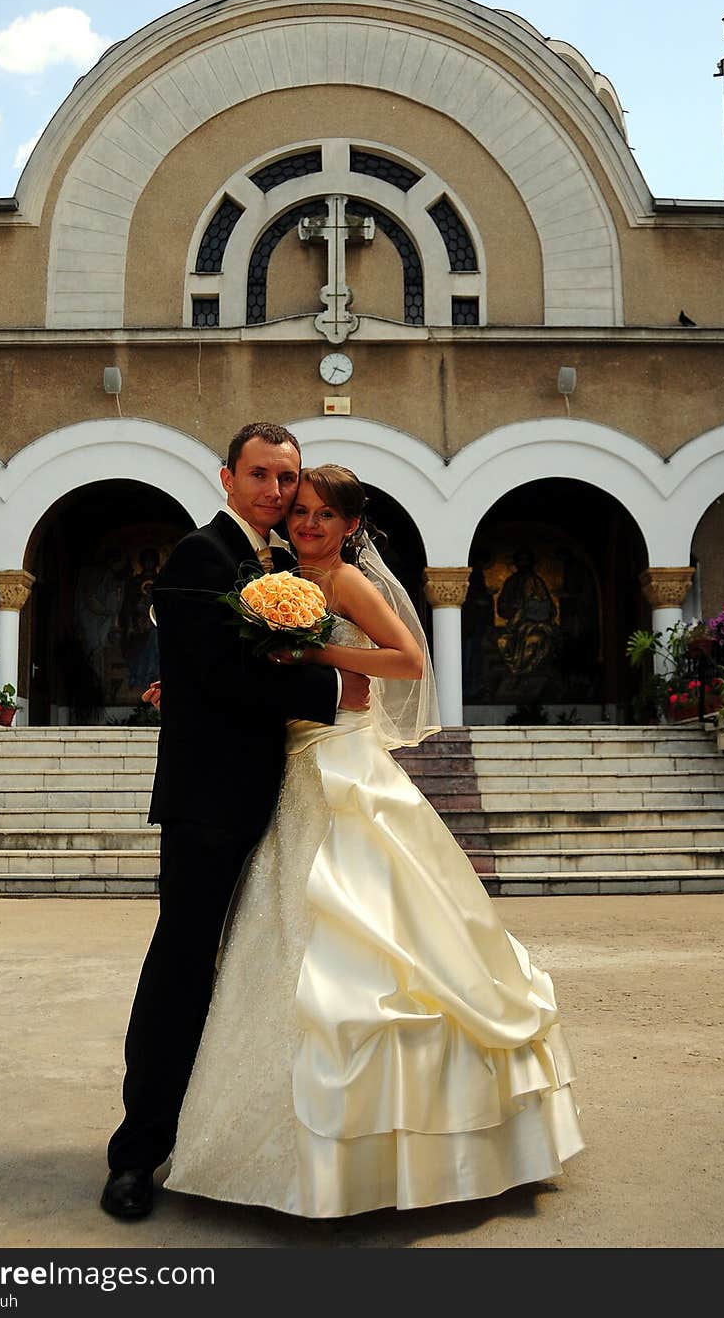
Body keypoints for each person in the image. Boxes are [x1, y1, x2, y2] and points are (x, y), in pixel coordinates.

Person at [164, 466, 583, 1218]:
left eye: (326, 514)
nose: (310, 524)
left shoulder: (348, 582)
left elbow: (406, 661)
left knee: (369, 937)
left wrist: (327, 657)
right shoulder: (280, 575)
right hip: (292, 761)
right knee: (282, 936)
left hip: (344, 760)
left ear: (352, 525)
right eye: (300, 511)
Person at [101, 426, 370, 1220]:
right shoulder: (200, 556)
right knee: (183, 965)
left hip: (285, 793)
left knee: (276, 969)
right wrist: (331, 695)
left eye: (287, 478)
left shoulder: (292, 563)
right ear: (228, 477)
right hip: (209, 800)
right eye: (260, 474)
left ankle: (241, 1139)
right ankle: (136, 1154)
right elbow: (210, 674)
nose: (276, 491)